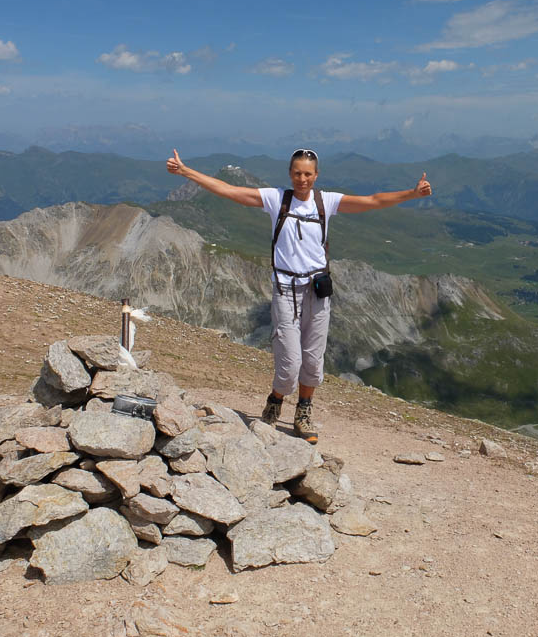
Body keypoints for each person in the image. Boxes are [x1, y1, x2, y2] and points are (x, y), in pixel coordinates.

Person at [166, 147, 432, 444]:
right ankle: (277, 398)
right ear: (290, 174)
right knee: (290, 362)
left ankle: (303, 412)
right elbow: (230, 191)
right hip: (285, 290)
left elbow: (372, 201)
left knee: (313, 360)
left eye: (307, 174)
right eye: (297, 173)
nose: (302, 179)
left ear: (316, 175)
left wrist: (412, 193)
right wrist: (186, 171)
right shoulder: (276, 199)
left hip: (317, 290)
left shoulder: (326, 202)